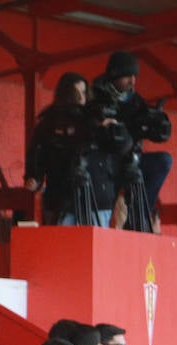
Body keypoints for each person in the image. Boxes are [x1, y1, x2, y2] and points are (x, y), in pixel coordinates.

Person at [25, 72, 129, 228]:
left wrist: (105, 130)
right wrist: (34, 176)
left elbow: (117, 150)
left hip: (96, 196)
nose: (82, 97)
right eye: (76, 92)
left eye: (84, 92)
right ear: (65, 94)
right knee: (64, 246)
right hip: (62, 196)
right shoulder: (50, 122)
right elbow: (37, 153)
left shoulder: (95, 117)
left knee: (94, 245)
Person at [93, 50, 171, 231]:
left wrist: (157, 125)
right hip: (105, 165)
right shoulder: (95, 97)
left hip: (131, 162)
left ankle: (140, 212)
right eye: (127, 76)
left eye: (134, 76)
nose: (132, 81)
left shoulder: (136, 101)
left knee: (163, 161)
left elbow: (151, 129)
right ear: (114, 74)